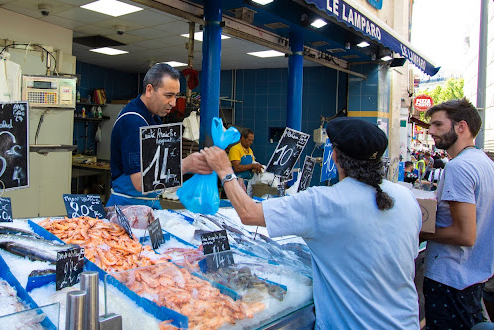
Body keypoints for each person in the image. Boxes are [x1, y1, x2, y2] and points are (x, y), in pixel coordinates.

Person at [199, 117, 422, 329]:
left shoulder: (324, 202)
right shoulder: (406, 197)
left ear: (334, 157)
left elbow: (249, 214)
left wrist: (225, 171)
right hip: (405, 323)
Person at [421, 98, 494, 329]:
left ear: (461, 126)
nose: (431, 131)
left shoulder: (458, 167)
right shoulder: (484, 162)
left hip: (450, 280)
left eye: (438, 125)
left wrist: (422, 232)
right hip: (472, 278)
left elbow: (465, 234)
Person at [107, 63, 211, 208]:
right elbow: (138, 181)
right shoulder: (133, 122)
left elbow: (155, 165)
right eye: (168, 95)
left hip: (148, 202)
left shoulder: (153, 118)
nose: (174, 103)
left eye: (176, 96)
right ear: (149, 90)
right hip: (128, 206)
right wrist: (186, 165)